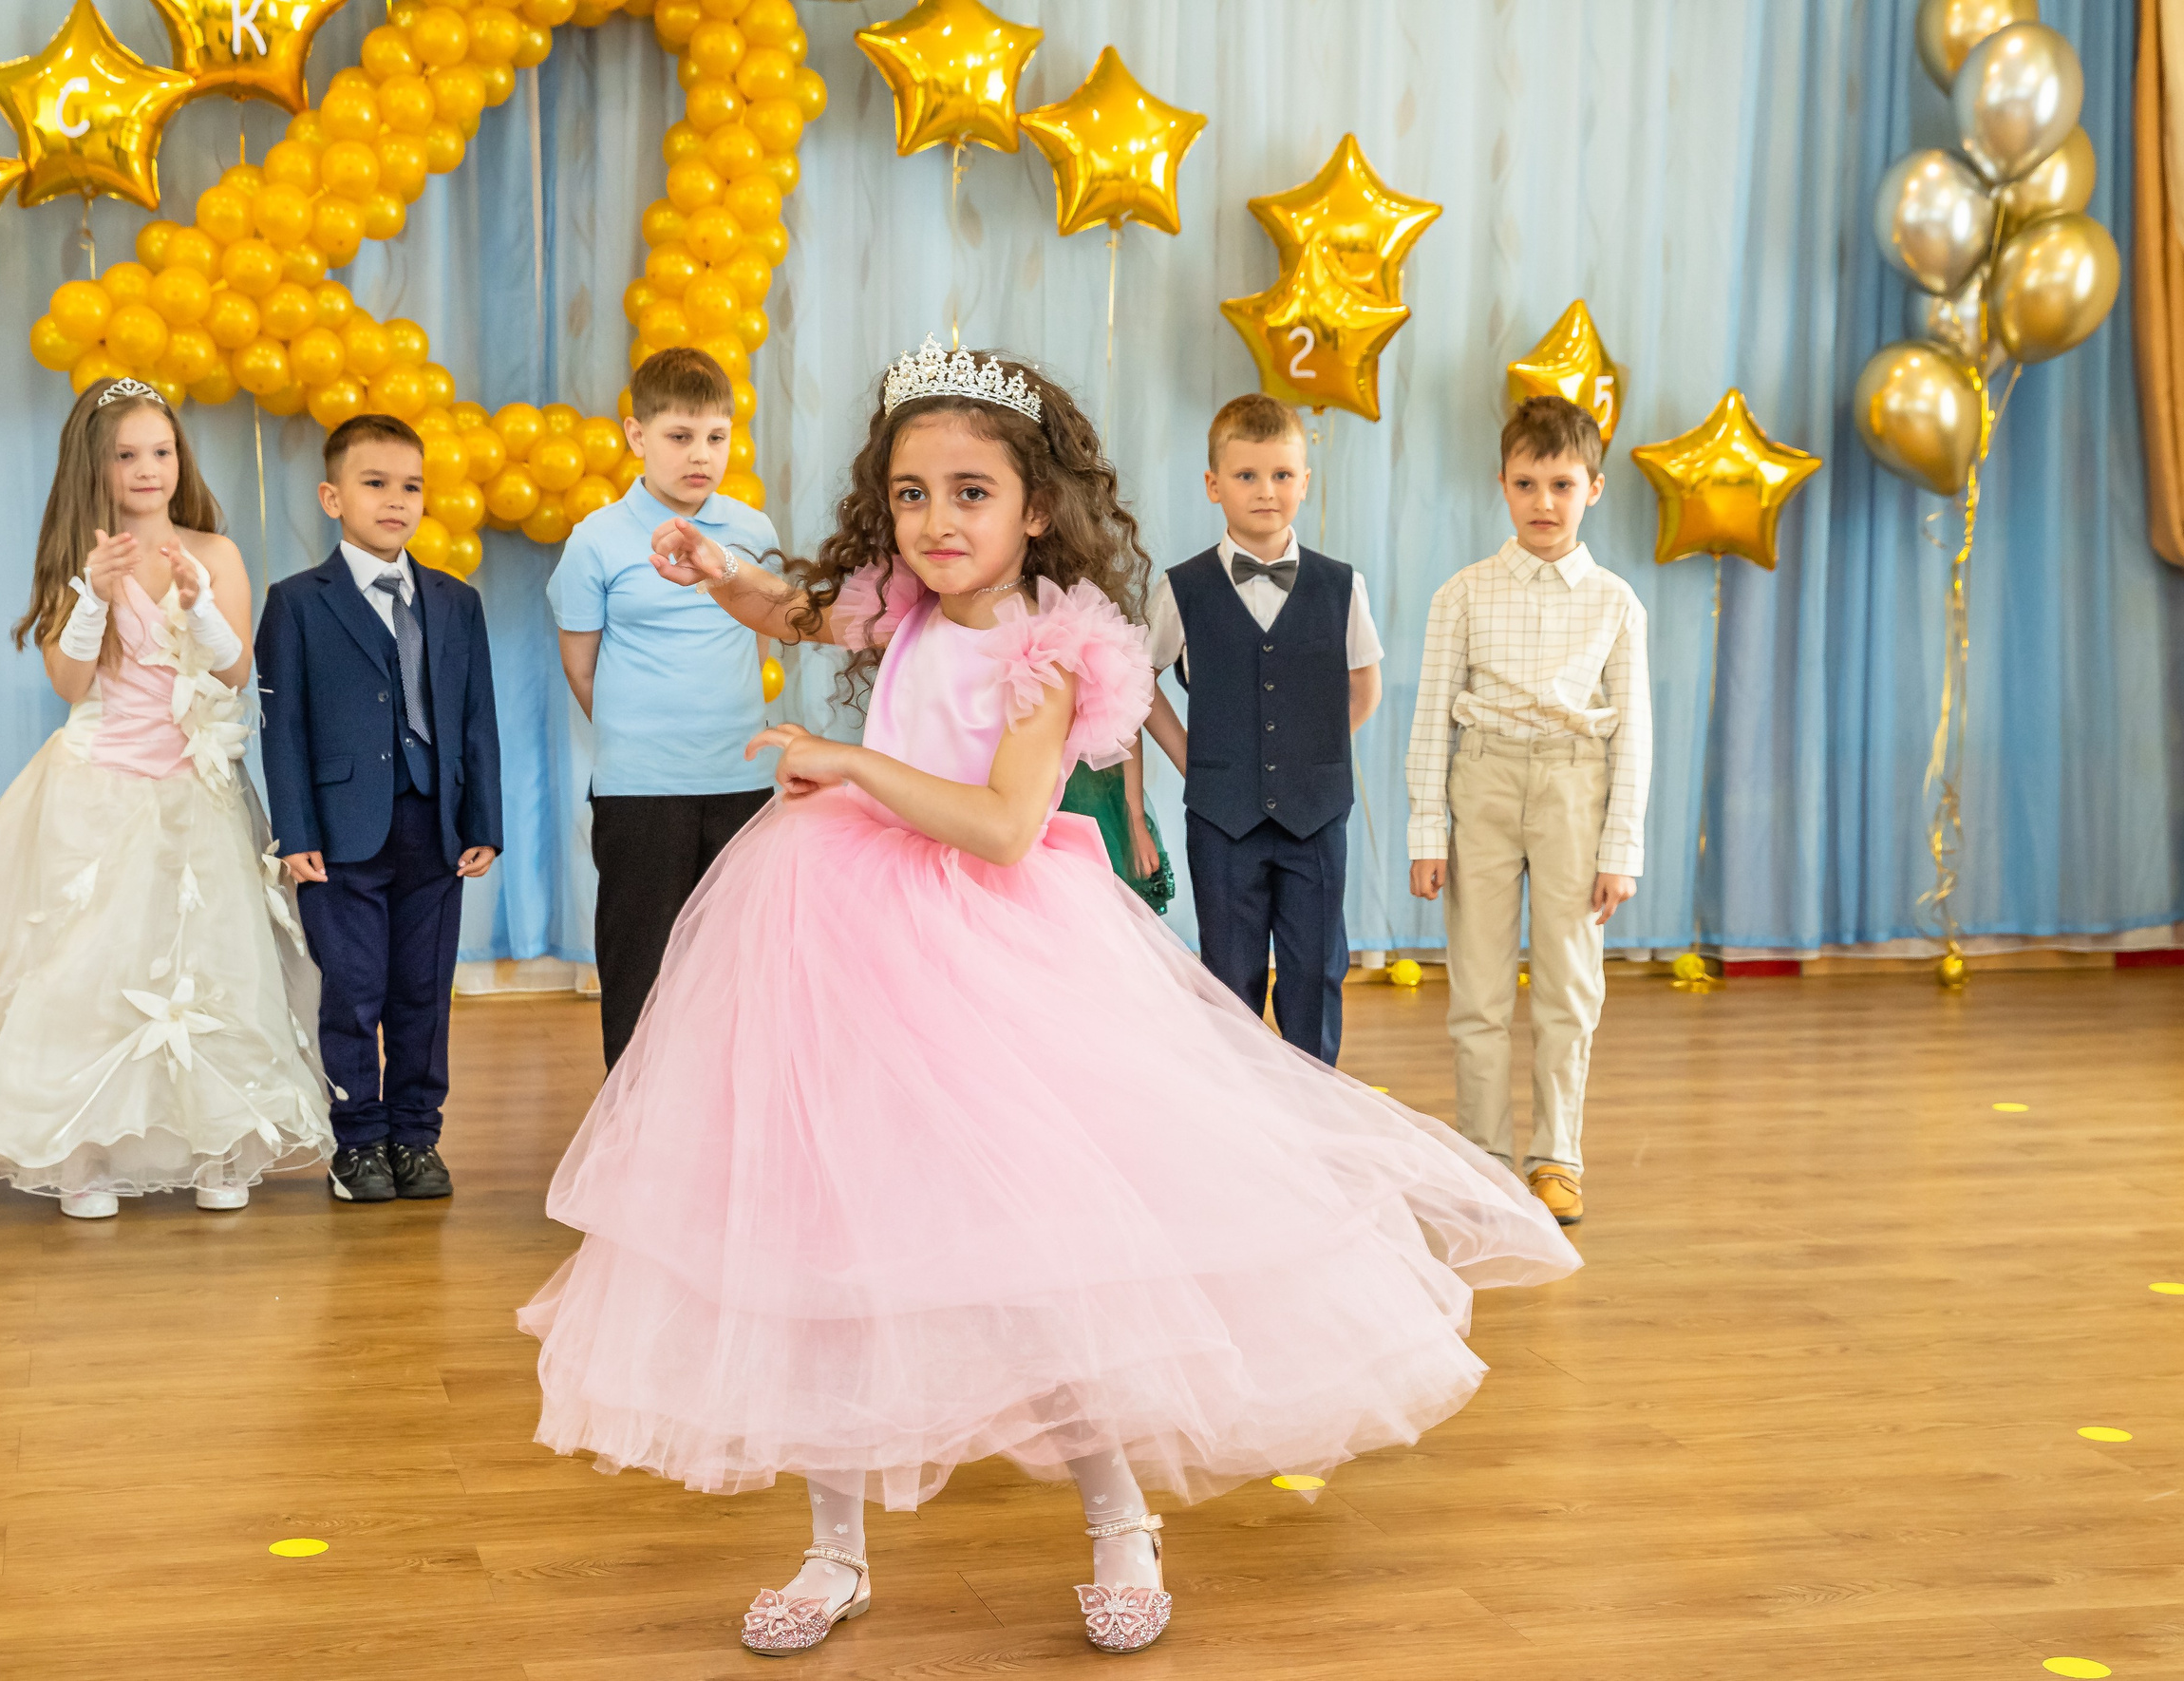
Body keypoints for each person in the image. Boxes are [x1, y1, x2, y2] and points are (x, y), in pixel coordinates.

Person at [518, 339, 1579, 1658]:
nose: (936, 521)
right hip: (836, 936)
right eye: (910, 494)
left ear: (1036, 507)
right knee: (827, 1234)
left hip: (992, 944)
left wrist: (842, 758)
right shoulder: (897, 601)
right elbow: (804, 617)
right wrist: (723, 572)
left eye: (970, 492)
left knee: (1045, 1251)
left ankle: (1121, 1520)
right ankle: (832, 1548)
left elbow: (1007, 824)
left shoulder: (1056, 645)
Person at [0, 377, 332, 1218]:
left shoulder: (216, 553)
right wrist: (91, 589)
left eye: (160, 452)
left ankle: (219, 1143)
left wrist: (200, 608)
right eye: (127, 456)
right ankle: (80, 1152)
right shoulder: (80, 561)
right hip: (99, 789)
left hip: (195, 793)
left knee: (207, 966)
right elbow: (68, 681)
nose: (147, 469)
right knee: (91, 971)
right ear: (95, 468)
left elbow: (237, 674)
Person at [1405, 394, 1652, 1227]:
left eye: (1561, 484)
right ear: (1501, 487)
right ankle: (1483, 1156)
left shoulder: (1616, 602)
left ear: (1595, 488)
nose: (1543, 502)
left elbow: (1637, 734)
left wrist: (1621, 847)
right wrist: (1426, 830)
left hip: (1574, 789)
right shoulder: (1464, 594)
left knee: (1569, 985)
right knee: (1476, 987)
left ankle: (1558, 1158)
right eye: (1526, 483)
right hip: (1483, 782)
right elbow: (1432, 712)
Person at [253, 413, 501, 1205]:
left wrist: (483, 822)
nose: (396, 500)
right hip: (342, 831)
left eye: (411, 487)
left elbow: (475, 720)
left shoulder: (455, 603)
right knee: (352, 989)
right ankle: (357, 1139)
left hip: (435, 826)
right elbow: (281, 724)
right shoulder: (296, 602)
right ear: (332, 496)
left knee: (422, 990)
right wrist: (294, 830)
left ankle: (416, 1135)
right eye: (375, 484)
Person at [547, 348, 782, 1068]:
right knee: (640, 968)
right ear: (635, 434)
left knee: (735, 968)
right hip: (642, 789)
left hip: (741, 781)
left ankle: (720, 1120)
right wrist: (645, 738)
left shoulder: (753, 531)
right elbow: (581, 667)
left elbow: (778, 627)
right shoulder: (596, 541)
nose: (700, 455)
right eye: (680, 436)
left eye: (716, 437)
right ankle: (632, 1129)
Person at [1140, 393, 1384, 1065]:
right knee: (1230, 974)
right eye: (1246, 476)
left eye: (1281, 475)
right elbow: (1137, 681)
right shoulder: (1181, 588)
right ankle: (1242, 1120)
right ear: (1214, 485)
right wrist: (1193, 758)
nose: (1266, 491)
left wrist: (1312, 753)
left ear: (1305, 481)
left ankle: (1316, 1113)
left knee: (1314, 971)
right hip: (1223, 819)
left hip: (1316, 815)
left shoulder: (1342, 586)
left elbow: (1365, 684)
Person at [1055, 748, 1173, 912]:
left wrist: (1135, 819)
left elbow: (1128, 728)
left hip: (1091, 790)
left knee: (1107, 895)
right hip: (1038, 789)